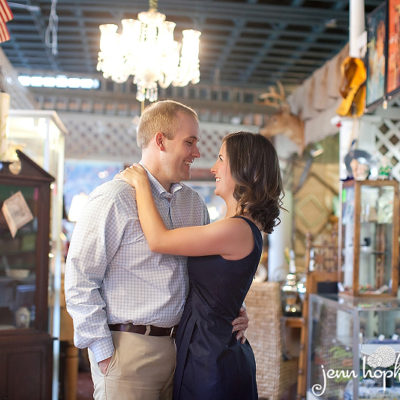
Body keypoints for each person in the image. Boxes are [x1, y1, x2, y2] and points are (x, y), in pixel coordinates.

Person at [64, 100, 248, 400]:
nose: (197, 153)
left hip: (184, 351)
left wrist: (234, 309)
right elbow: (80, 279)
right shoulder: (113, 199)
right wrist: (103, 352)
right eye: (190, 142)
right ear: (160, 141)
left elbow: (206, 277)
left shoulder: (193, 204)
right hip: (127, 353)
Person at [119, 131, 284, 400]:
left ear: (244, 170)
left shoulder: (236, 229)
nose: (213, 168)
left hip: (213, 358)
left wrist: (140, 183)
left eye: (221, 159)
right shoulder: (238, 228)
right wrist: (234, 308)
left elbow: (159, 240)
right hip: (206, 347)